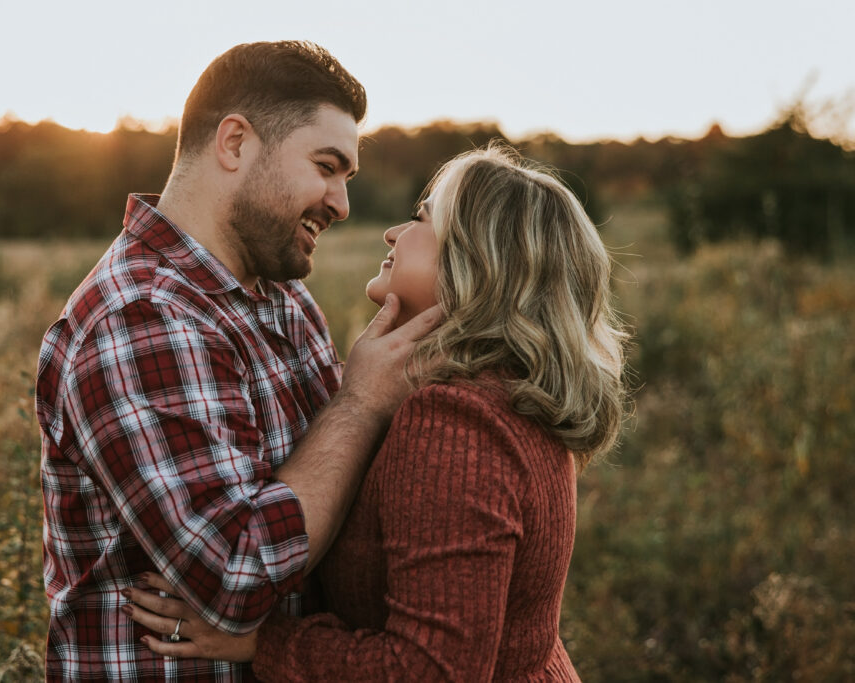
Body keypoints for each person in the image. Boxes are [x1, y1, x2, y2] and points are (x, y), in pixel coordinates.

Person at [123, 145, 629, 681]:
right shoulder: (509, 389)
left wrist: (261, 643)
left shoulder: (455, 420)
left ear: (477, 261)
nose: (393, 234)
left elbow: (431, 669)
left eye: (421, 219)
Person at [35, 41, 440, 681]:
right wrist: (361, 403)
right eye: (326, 165)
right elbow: (236, 576)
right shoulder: (140, 317)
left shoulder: (284, 298)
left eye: (347, 177)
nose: (341, 203)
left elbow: (330, 510)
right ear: (234, 143)